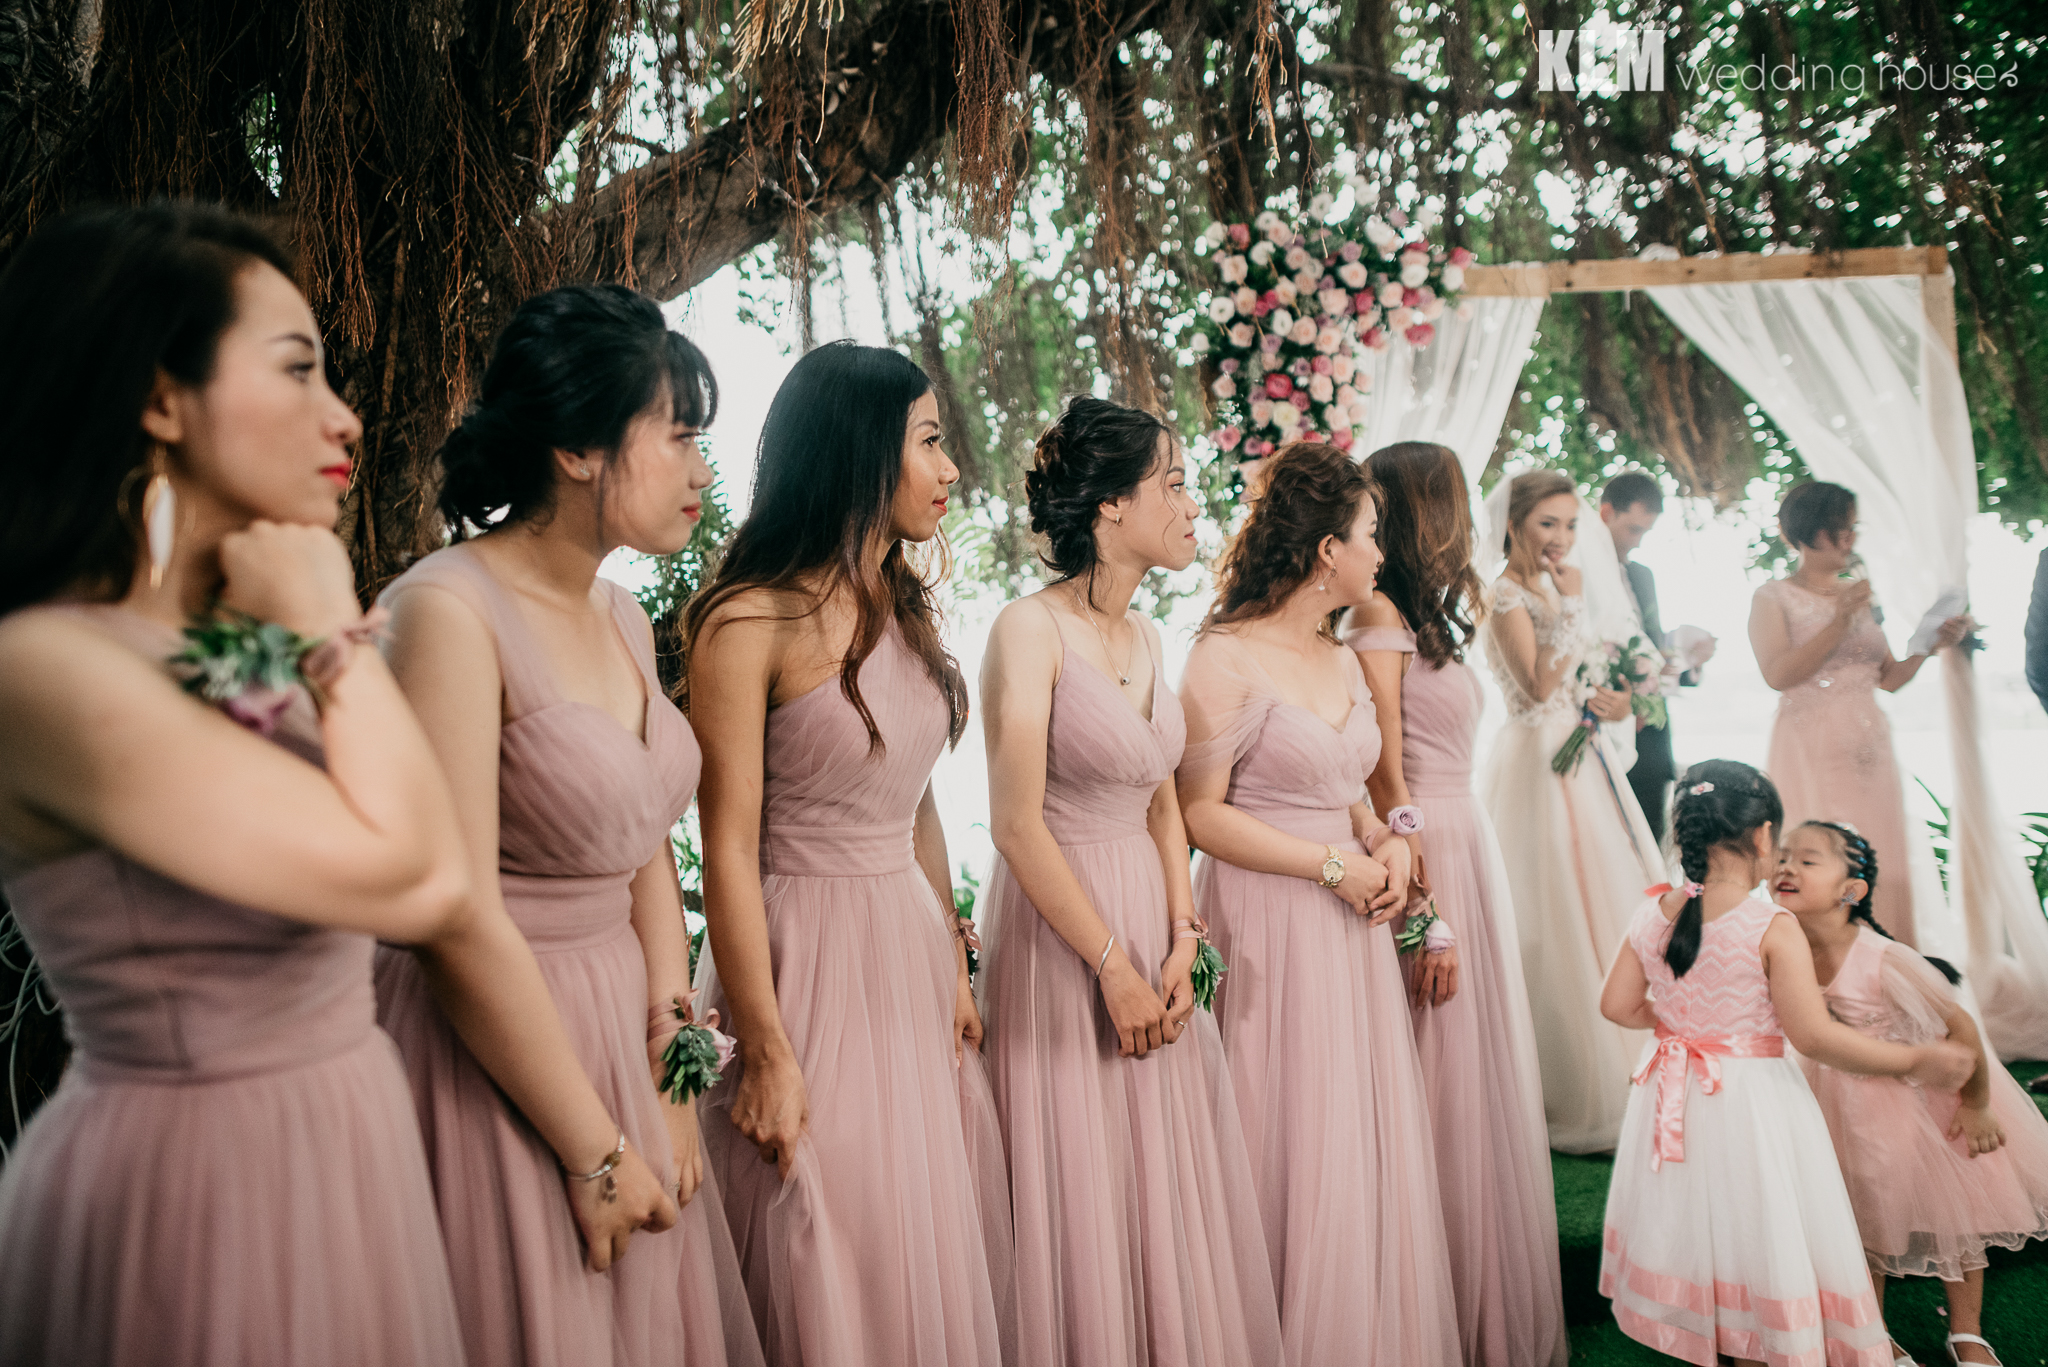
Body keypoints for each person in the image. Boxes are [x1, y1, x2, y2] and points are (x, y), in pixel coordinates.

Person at [0, 203, 650, 1365]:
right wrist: (326, 624)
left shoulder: (237, 646)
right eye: (297, 368)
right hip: (200, 1178)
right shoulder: (45, 666)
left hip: (355, 1133)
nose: (342, 415)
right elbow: (426, 883)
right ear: (161, 399)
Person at [374, 286, 761, 1367]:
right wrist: (594, 1146)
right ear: (578, 449)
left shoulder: (622, 613)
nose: (701, 471)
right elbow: (449, 915)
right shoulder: (445, 612)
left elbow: (645, 848)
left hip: (623, 1025)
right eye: (678, 437)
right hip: (497, 1041)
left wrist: (673, 1067)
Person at [681, 341, 1012, 1367]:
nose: (949, 468)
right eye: (929, 441)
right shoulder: (747, 619)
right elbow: (724, 848)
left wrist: (951, 961)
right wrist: (765, 1047)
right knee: (825, 1227)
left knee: (911, 1232)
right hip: (803, 955)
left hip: (904, 953)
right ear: (858, 450)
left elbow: (916, 804)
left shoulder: (902, 609)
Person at [976, 396, 1283, 1366]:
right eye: (1175, 484)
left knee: (1159, 1172)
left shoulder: (1149, 635)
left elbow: (1160, 802)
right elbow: (1014, 821)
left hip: (1151, 924)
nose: (1194, 505)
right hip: (1063, 930)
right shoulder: (1027, 630)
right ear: (1110, 503)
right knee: (1081, 1176)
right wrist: (1109, 961)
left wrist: (1183, 931)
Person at [1179, 441, 1460, 1367]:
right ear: (1327, 548)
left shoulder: (1340, 658)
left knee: (1350, 1134)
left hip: (1351, 926)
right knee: (1281, 1128)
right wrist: (1331, 865)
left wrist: (1387, 840)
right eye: (1371, 534)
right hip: (1270, 917)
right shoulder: (1224, 657)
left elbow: (1353, 793)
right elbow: (1198, 813)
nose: (1383, 553)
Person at [1598, 760, 1976, 1367]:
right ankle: (1759, 1342)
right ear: (1764, 835)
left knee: (1697, 1216)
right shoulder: (1770, 925)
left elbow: (1616, 1005)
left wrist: (1681, 1029)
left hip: (1671, 1093)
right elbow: (1814, 1036)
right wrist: (1915, 1058)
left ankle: (1711, 1330)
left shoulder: (1651, 912)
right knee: (1758, 1219)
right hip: (1751, 1102)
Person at [1345, 441, 1566, 1367]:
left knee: (1468, 1068)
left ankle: (1471, 1294)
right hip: (1422, 844)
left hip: (1464, 831)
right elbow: (1380, 765)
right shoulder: (1377, 613)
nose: (1471, 518)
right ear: (1427, 510)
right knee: (1433, 1058)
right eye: (1458, 500)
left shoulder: (1428, 615)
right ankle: (1426, 1298)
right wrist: (1426, 905)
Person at [1775, 820, 2048, 1367]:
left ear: (1851, 890)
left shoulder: (1884, 958)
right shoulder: (1783, 947)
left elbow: (1961, 1027)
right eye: (1782, 857)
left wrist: (1976, 1104)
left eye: (1807, 860)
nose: (1787, 867)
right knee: (1858, 1220)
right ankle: (1874, 1335)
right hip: (1832, 1103)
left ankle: (1967, 1332)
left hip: (1912, 1104)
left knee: (1958, 1213)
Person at [1479, 469, 1661, 1154]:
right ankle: (1564, 1081)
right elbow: (1535, 683)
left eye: (1569, 524)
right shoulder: (1502, 592)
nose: (1560, 537)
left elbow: (1574, 679)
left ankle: (1628, 1060)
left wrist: (1610, 702)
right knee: (1546, 912)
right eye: (1547, 523)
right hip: (1533, 760)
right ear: (1515, 524)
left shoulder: (1557, 588)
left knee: (1603, 900)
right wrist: (1575, 605)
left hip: (1579, 756)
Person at [1749, 480, 1971, 948]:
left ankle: (1881, 957)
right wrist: (1839, 621)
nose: (1851, 538)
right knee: (1818, 853)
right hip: (1809, 746)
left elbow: (1887, 677)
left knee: (1878, 851)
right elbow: (1777, 674)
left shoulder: (1858, 594)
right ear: (1813, 532)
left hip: (1870, 746)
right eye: (1841, 528)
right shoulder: (1773, 596)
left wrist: (1930, 645)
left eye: (1852, 527)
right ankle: (1819, 963)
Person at [1599, 471, 1714, 843]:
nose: (1638, 542)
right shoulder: (1574, 577)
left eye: (1646, 532)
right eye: (1634, 529)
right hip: (1601, 731)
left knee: (1649, 841)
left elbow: (1650, 649)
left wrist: (1688, 660)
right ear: (1605, 513)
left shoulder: (1642, 576)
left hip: (1650, 739)